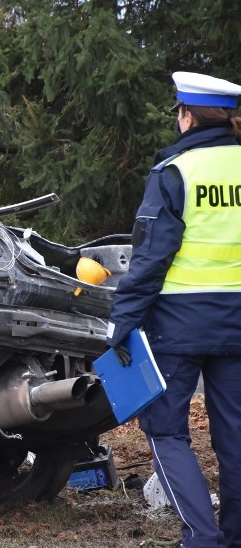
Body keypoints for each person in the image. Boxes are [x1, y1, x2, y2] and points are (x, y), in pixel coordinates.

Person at [106, 71, 241, 548]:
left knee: (165, 431)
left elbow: (150, 259)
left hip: (178, 326)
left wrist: (122, 323)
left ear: (186, 116)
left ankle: (203, 539)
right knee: (236, 436)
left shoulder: (176, 172)